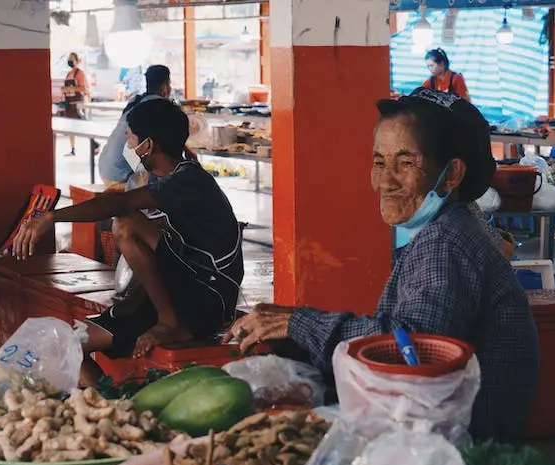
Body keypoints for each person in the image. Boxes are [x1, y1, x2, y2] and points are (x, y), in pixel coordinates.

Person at [224, 88, 539, 442]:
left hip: (460, 446)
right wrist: (293, 327)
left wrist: (300, 325)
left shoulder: (446, 242)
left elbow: (411, 350)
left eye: (406, 163)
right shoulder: (450, 224)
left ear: (451, 174)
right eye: (378, 162)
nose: (385, 181)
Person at [12, 99, 244, 386]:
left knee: (125, 223)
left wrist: (51, 218)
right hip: (178, 291)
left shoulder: (191, 180)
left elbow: (120, 206)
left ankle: (169, 323)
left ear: (148, 145)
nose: (126, 143)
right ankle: (108, 407)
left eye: (130, 136)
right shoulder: (168, 178)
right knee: (63, 345)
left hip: (207, 298)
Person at [99, 65, 173, 187]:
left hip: (105, 168)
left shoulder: (136, 101)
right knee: (165, 180)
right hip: (121, 175)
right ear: (165, 87)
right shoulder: (159, 107)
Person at [61, 52, 98, 157]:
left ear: (77, 61)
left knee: (83, 125)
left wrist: (71, 88)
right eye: (69, 59)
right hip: (69, 103)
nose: (70, 61)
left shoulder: (80, 73)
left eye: (72, 59)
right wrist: (64, 90)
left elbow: (84, 88)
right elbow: (67, 88)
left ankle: (95, 144)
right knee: (70, 127)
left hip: (77, 104)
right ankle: (72, 149)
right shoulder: (68, 74)